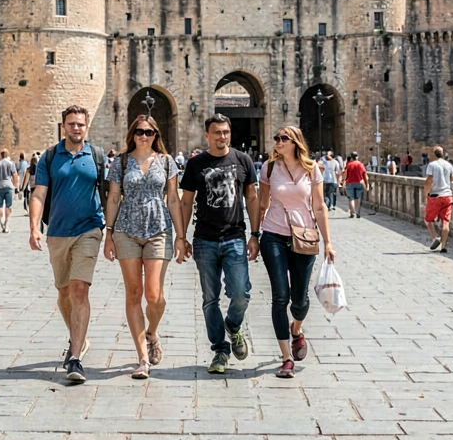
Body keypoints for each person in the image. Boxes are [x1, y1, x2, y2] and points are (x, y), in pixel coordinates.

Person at [175, 114, 260, 375]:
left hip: (235, 236)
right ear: (207, 135)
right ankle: (220, 350)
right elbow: (186, 201)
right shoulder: (196, 165)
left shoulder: (243, 160)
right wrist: (181, 237)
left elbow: (253, 197)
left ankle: (233, 326)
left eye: (225, 132)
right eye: (217, 132)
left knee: (240, 294)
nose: (222, 136)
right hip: (205, 240)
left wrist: (255, 234)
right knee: (210, 298)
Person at [30, 105, 107, 384]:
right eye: (72, 124)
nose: (77, 128)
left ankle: (75, 358)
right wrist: (34, 228)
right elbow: (39, 194)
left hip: (89, 229)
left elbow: (109, 194)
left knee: (79, 289)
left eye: (81, 124)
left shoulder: (96, 156)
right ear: (63, 126)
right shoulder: (50, 157)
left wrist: (109, 230)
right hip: (57, 232)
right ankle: (80, 338)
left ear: (87, 127)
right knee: (64, 293)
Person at [103, 115, 178, 379]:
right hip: (126, 231)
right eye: (139, 131)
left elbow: (174, 201)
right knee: (133, 294)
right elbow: (113, 197)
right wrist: (108, 234)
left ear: (156, 135)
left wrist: (181, 236)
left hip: (159, 230)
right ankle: (142, 358)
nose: (143, 136)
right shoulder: (121, 162)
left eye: (148, 132)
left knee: (154, 295)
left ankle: (152, 332)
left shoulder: (167, 162)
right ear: (132, 134)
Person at [258, 125, 335, 379]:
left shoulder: (312, 169)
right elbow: (263, 203)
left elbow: (320, 206)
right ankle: (286, 357)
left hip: (304, 236)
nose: (278, 142)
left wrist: (328, 243)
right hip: (273, 235)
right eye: (276, 138)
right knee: (280, 296)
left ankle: (297, 329)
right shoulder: (268, 168)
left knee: (299, 301)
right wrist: (254, 235)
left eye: (283, 138)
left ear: (295, 142)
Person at [422, 146, 453, 252]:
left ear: (433, 154)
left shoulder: (432, 165)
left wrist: (425, 193)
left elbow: (429, 180)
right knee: (445, 222)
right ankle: (444, 246)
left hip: (435, 196)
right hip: (448, 196)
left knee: (428, 220)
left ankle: (435, 237)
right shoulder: (449, 165)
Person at [0, 149, 19, 233]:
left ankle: (1, 222)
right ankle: (7, 222)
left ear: (1, 155)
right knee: (8, 206)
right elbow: (14, 176)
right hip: (8, 185)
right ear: (7, 154)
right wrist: (16, 187)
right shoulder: (11, 164)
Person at [341, 152, 367, 218]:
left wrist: (342, 181)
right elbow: (365, 175)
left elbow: (345, 174)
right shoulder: (360, 164)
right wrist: (367, 185)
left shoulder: (349, 164)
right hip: (359, 182)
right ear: (357, 156)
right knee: (358, 198)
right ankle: (358, 212)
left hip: (349, 183)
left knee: (351, 198)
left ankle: (352, 212)